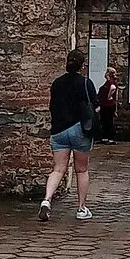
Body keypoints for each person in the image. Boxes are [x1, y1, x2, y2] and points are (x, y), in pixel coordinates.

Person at [41, 47, 97, 221]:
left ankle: (46, 200)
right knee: (81, 170)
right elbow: (95, 106)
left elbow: (52, 106)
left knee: (58, 169)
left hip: (58, 130)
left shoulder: (57, 83)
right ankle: (81, 208)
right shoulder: (86, 83)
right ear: (82, 65)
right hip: (79, 129)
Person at [97, 65, 119, 141]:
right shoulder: (111, 81)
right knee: (105, 121)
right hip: (107, 104)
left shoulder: (111, 82)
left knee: (108, 121)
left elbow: (113, 88)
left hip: (107, 105)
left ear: (108, 74)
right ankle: (105, 137)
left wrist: (108, 96)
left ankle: (110, 138)